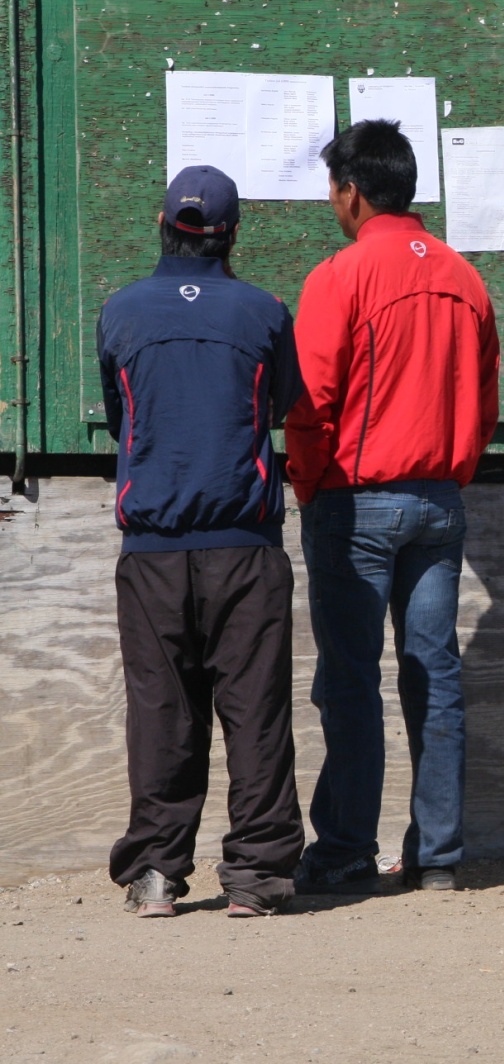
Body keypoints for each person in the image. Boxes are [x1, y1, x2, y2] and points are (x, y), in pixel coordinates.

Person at [287, 119, 500, 895]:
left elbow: (310, 402)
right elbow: (483, 403)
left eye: (332, 191)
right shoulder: (463, 276)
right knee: (433, 674)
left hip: (355, 500)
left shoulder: (339, 276)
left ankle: (345, 847)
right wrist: (450, 475)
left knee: (350, 680)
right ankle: (438, 856)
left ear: (350, 191)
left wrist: (309, 484)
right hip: (439, 503)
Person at [99, 165, 304, 918]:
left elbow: (123, 419)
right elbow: (282, 404)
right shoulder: (265, 312)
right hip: (244, 543)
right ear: (232, 233)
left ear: (162, 223)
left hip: (151, 546)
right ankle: (257, 878)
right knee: (256, 713)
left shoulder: (120, 313)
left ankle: (154, 875)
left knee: (161, 713)